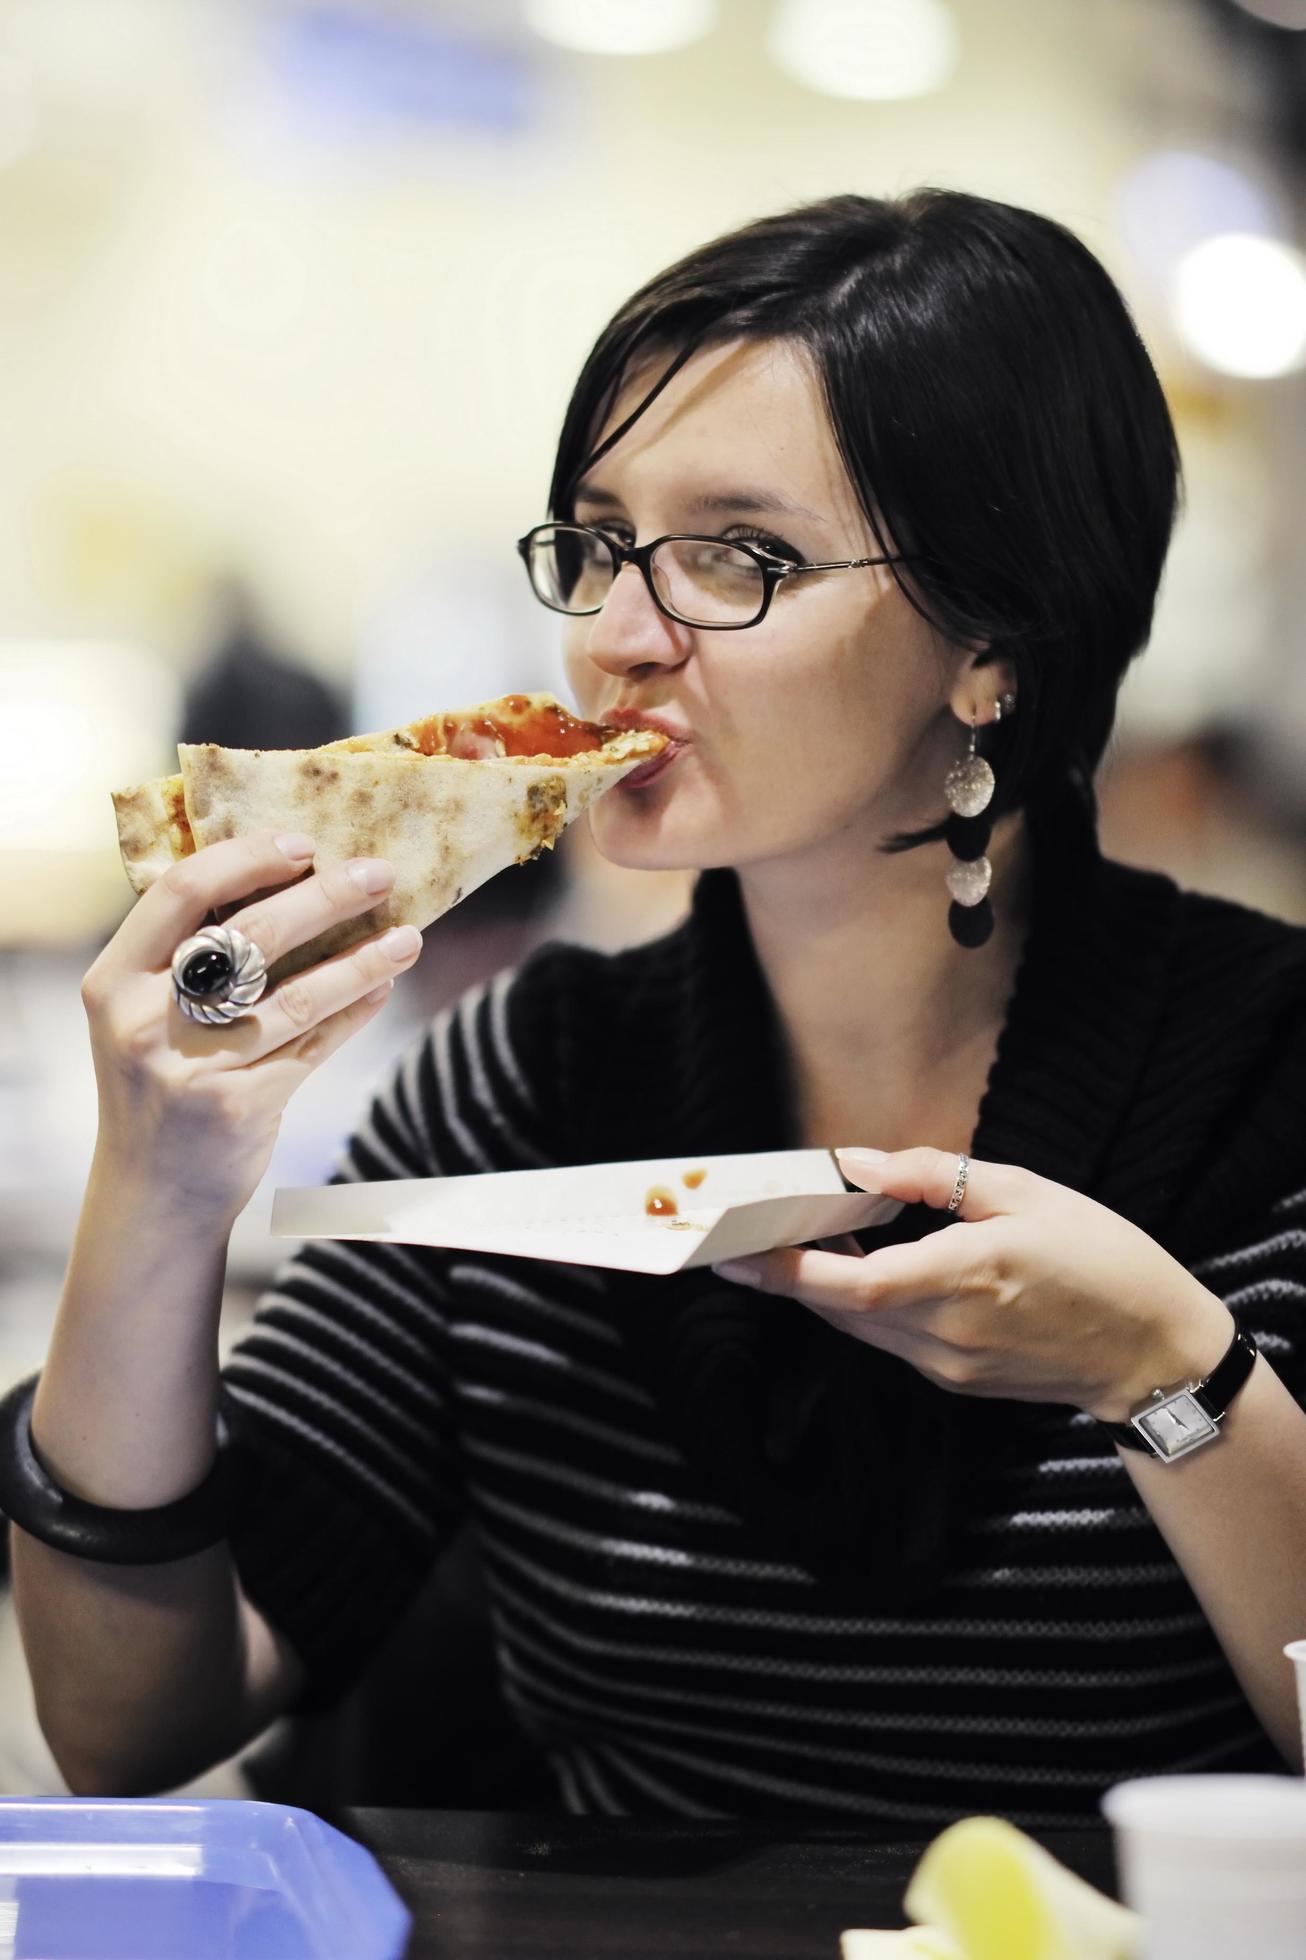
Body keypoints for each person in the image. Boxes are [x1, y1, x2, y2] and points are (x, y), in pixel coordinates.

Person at [8, 190, 1306, 1825]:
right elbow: (126, 1728)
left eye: (734, 558)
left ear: (994, 640)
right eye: (600, 540)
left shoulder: (1269, 1086)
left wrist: (1164, 1368)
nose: (615, 638)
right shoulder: (521, 1085)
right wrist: (158, 1178)